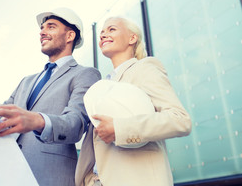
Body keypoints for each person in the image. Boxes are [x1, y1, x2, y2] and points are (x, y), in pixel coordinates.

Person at [0, 7, 101, 186]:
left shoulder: (85, 75)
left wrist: (38, 121)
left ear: (69, 36)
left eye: (50, 27)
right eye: (42, 28)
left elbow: (75, 124)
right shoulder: (26, 81)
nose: (42, 32)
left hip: (51, 176)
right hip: (9, 174)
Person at [75, 17, 192, 186]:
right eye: (101, 32)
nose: (103, 35)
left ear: (132, 38)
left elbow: (180, 120)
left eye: (111, 29)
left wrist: (119, 128)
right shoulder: (103, 85)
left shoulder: (145, 68)